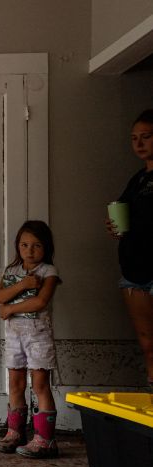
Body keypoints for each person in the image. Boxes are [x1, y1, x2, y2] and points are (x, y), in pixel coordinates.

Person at [0, 220, 61, 458]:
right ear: (17, 246)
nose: (30, 250)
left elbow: (40, 302)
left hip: (38, 335)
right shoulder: (11, 272)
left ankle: (45, 439)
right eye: (24, 245)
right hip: (14, 336)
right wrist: (24, 284)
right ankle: (15, 433)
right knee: (15, 383)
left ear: (46, 247)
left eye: (36, 245)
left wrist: (10, 309)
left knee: (40, 384)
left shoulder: (48, 271)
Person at [105, 109, 153, 392]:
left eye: (146, 137)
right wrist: (116, 228)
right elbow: (123, 213)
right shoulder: (137, 179)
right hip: (134, 270)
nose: (139, 143)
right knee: (148, 343)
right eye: (134, 138)